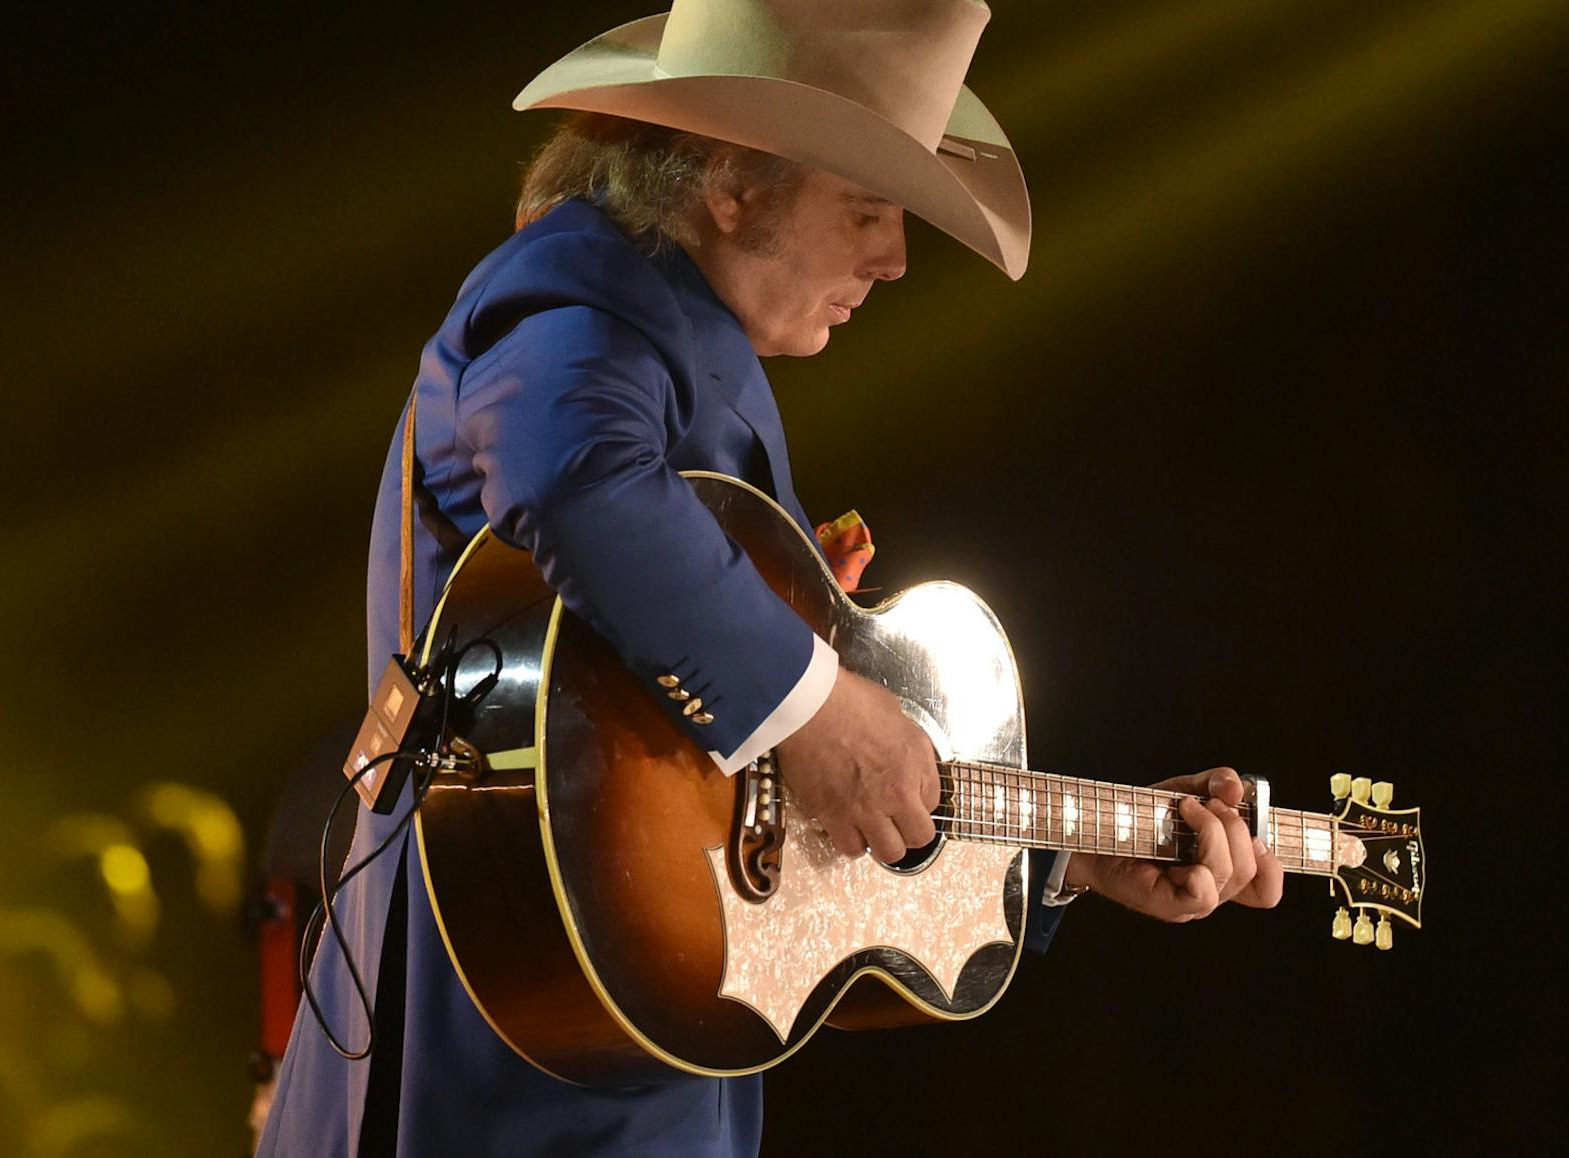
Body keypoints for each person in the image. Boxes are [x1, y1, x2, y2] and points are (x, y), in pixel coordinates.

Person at [258, 2, 1283, 1155]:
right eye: (867, 208)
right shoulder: (586, 290)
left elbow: (771, 807)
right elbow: (572, 480)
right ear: (734, 186)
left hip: (617, 1054)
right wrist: (818, 704)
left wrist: (1069, 857)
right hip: (505, 1057)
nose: (895, 257)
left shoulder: (688, 340)